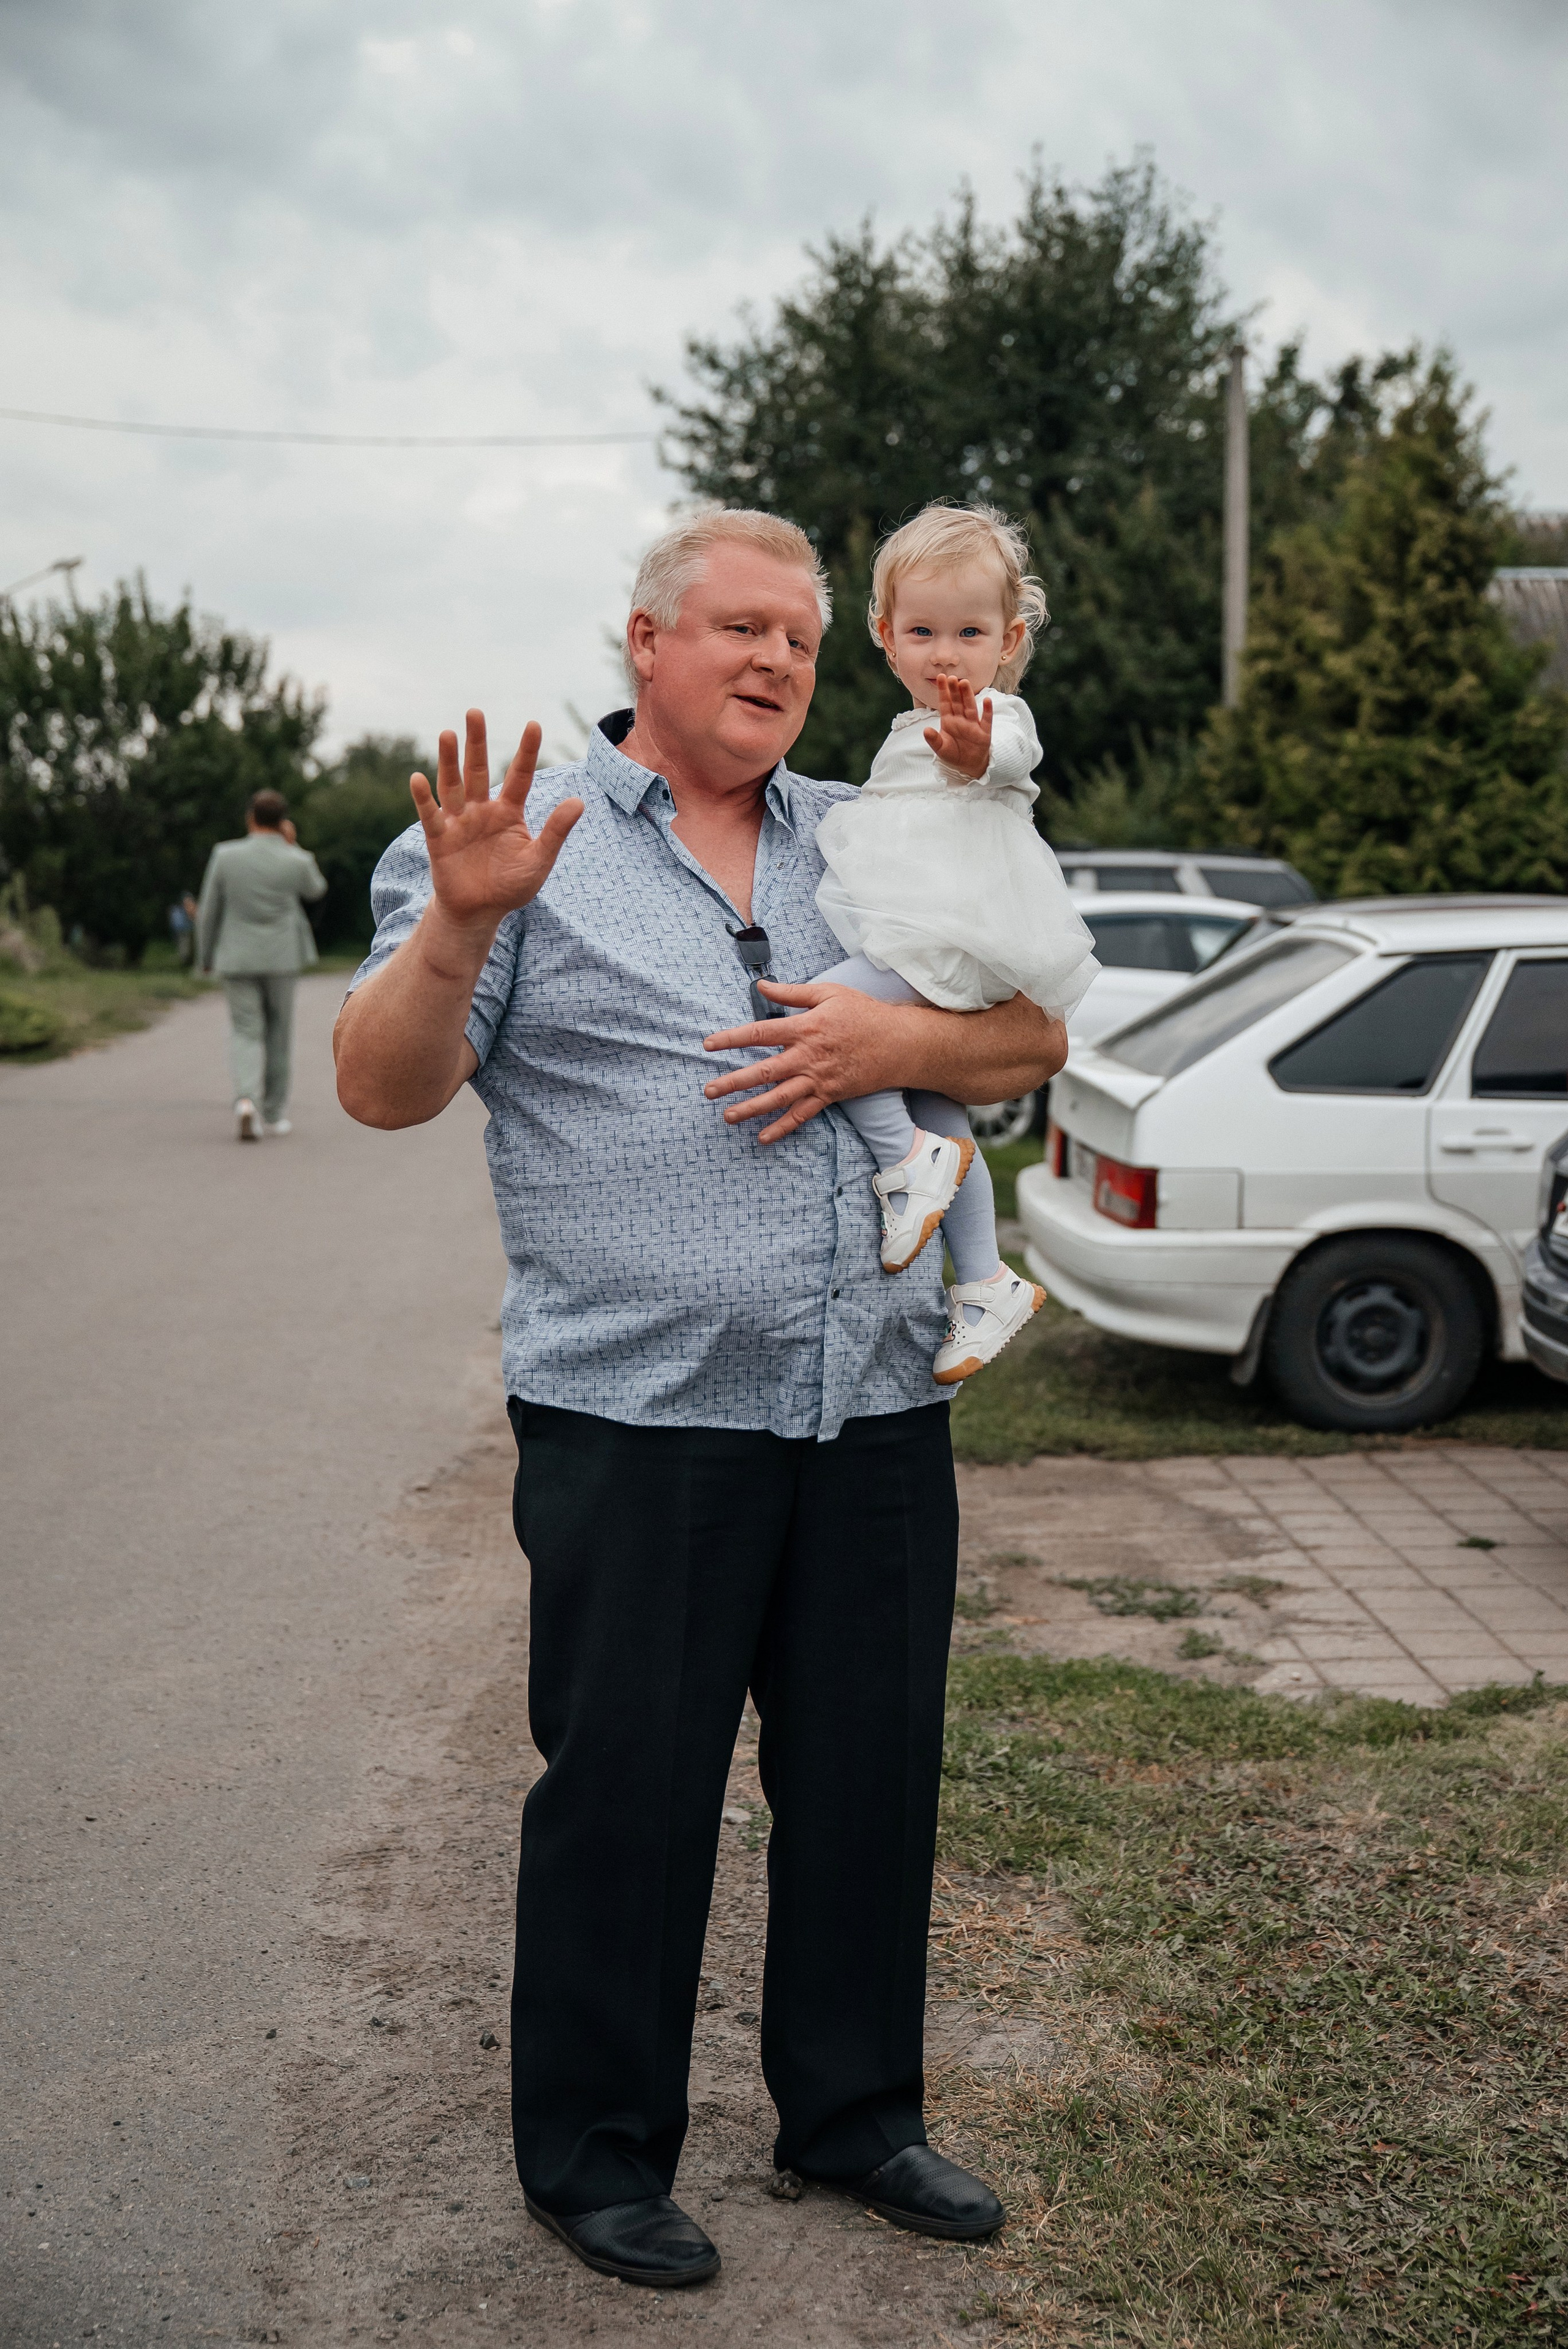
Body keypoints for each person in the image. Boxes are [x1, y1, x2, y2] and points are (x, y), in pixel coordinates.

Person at [333, 508, 1068, 2292]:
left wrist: (889, 1047)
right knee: (630, 1791)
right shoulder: (525, 844)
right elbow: (377, 1083)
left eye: (801, 641)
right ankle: (595, 2154)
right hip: (642, 1414)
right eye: (737, 627)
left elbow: (1030, 1039)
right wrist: (456, 930)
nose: (773, 663)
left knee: (870, 1776)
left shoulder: (874, 832)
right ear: (643, 644)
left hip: (874, 1395)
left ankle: (855, 2116)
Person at [807, 503, 1099, 1383]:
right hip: (926, 934)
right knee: (941, 1102)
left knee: (825, 1012)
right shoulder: (901, 733)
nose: (946, 653)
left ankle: (902, 1158)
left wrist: (975, 747)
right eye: (923, 630)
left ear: (1008, 641)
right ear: (885, 639)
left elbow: (1002, 754)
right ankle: (984, 1279)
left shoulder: (996, 715)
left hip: (957, 939)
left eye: (970, 631)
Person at [197, 790, 327, 1141]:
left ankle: (246, 1102)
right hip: (283, 957)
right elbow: (316, 889)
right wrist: (293, 846)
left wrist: (205, 956)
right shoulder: (295, 860)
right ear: (283, 821)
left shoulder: (225, 856)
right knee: (279, 1033)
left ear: (251, 817)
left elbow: (209, 910)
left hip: (236, 956)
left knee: (245, 1031)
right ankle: (273, 1113)